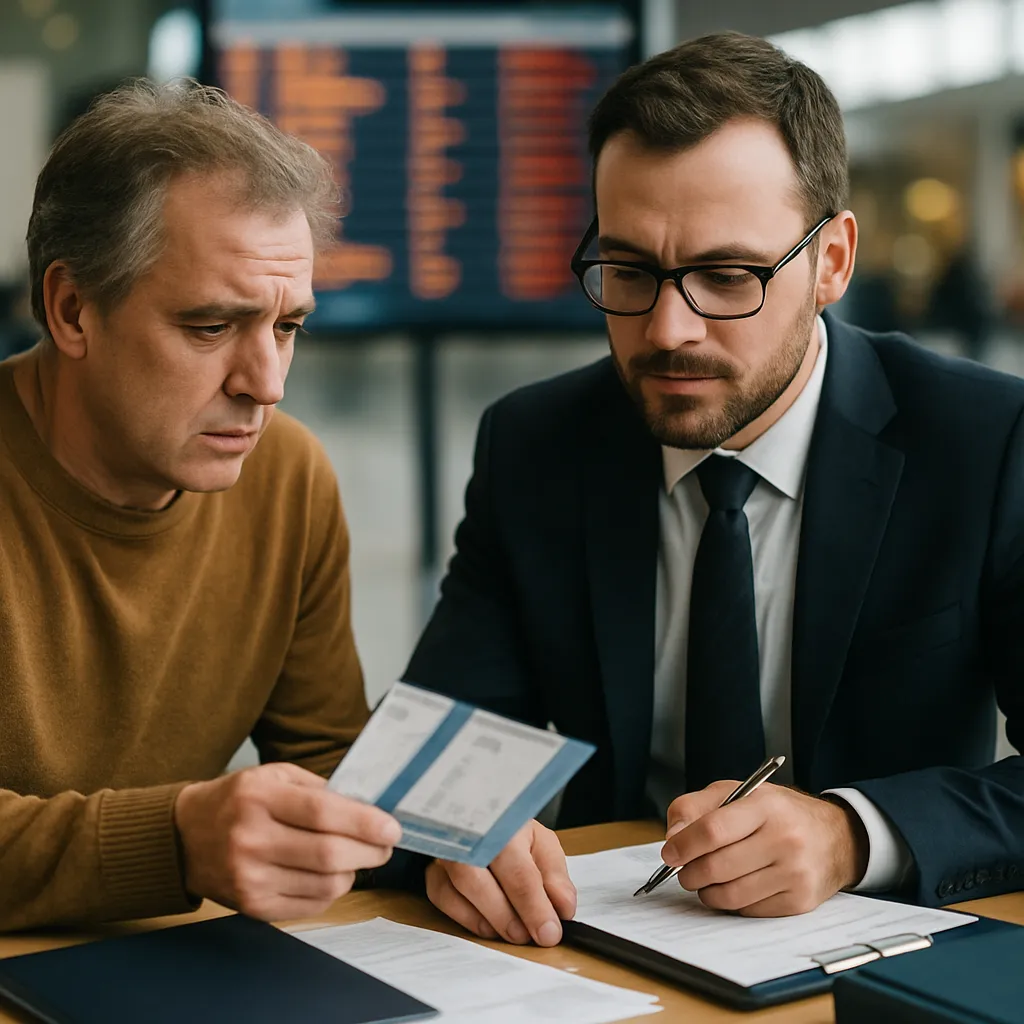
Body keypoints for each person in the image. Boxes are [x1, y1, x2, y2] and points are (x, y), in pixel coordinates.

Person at [403, 32, 1024, 943]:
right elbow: (436, 751)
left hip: (880, 956)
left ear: (832, 262)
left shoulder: (984, 441)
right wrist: (459, 831)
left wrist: (854, 833)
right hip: (597, 949)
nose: (668, 330)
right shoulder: (537, 445)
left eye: (727, 277)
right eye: (628, 272)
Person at [0, 79, 576, 937]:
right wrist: (175, 841)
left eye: (287, 327)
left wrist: (439, 832)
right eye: (209, 327)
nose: (266, 385)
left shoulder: (286, 477)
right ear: (71, 309)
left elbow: (324, 761)